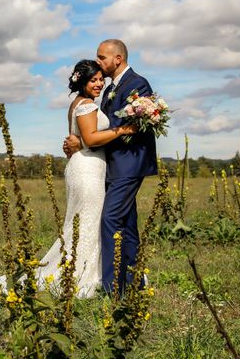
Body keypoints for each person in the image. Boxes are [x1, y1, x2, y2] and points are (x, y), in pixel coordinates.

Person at [33, 59, 135, 298]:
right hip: (88, 168)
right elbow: (91, 139)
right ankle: (80, 276)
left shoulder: (77, 103)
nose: (99, 84)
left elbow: (81, 138)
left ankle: (85, 271)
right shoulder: (87, 105)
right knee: (89, 221)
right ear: (82, 81)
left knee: (84, 222)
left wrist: (79, 141)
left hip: (83, 166)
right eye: (94, 80)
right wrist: (122, 130)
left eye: (101, 79)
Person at [64, 40, 157, 294]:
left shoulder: (137, 84)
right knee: (126, 222)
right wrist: (81, 140)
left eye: (101, 57)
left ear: (118, 59)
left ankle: (112, 286)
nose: (98, 62)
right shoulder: (107, 89)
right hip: (108, 165)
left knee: (110, 219)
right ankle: (133, 280)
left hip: (129, 165)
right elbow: (99, 127)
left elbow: (127, 123)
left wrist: (82, 140)